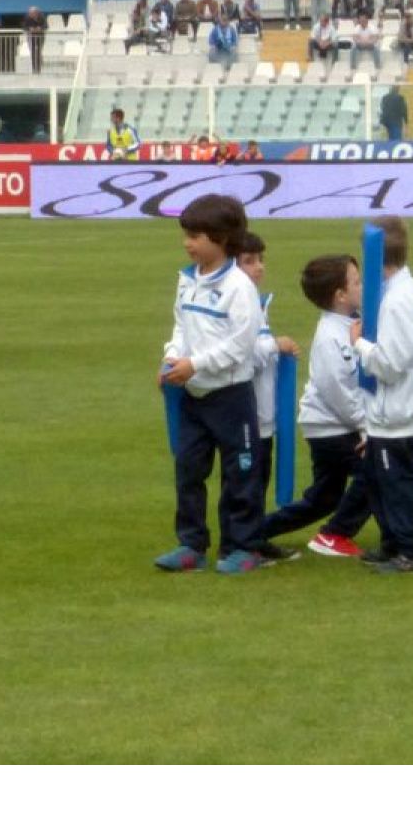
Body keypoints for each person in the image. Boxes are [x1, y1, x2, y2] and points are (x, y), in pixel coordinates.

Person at [154, 195, 265, 573]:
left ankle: (243, 547)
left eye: (196, 236)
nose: (187, 243)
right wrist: (172, 357)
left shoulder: (239, 286)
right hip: (192, 394)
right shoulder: (187, 279)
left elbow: (241, 345)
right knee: (188, 470)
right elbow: (181, 326)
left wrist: (195, 364)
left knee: (240, 473)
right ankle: (191, 544)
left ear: (222, 238)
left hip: (231, 396)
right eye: (186, 234)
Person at [258, 254, 373, 558]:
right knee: (377, 471)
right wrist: (366, 426)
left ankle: (253, 531)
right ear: (340, 295)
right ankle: (335, 534)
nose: (364, 286)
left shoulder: (352, 322)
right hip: (331, 426)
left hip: (331, 423)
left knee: (324, 498)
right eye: (357, 282)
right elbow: (336, 391)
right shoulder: (330, 337)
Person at [350, 216, 413, 574]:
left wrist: (359, 345)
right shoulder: (396, 293)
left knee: (398, 483)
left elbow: (391, 363)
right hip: (390, 410)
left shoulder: (398, 300)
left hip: (396, 410)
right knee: (380, 481)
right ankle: (394, 542)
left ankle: (411, 550)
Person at [235, 232, 299, 563]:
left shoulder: (257, 304)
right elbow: (240, 354)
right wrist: (275, 345)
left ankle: (255, 538)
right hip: (247, 413)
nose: (259, 267)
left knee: (259, 478)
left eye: (260, 260)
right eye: (249, 261)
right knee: (247, 482)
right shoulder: (238, 303)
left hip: (263, 412)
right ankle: (243, 542)